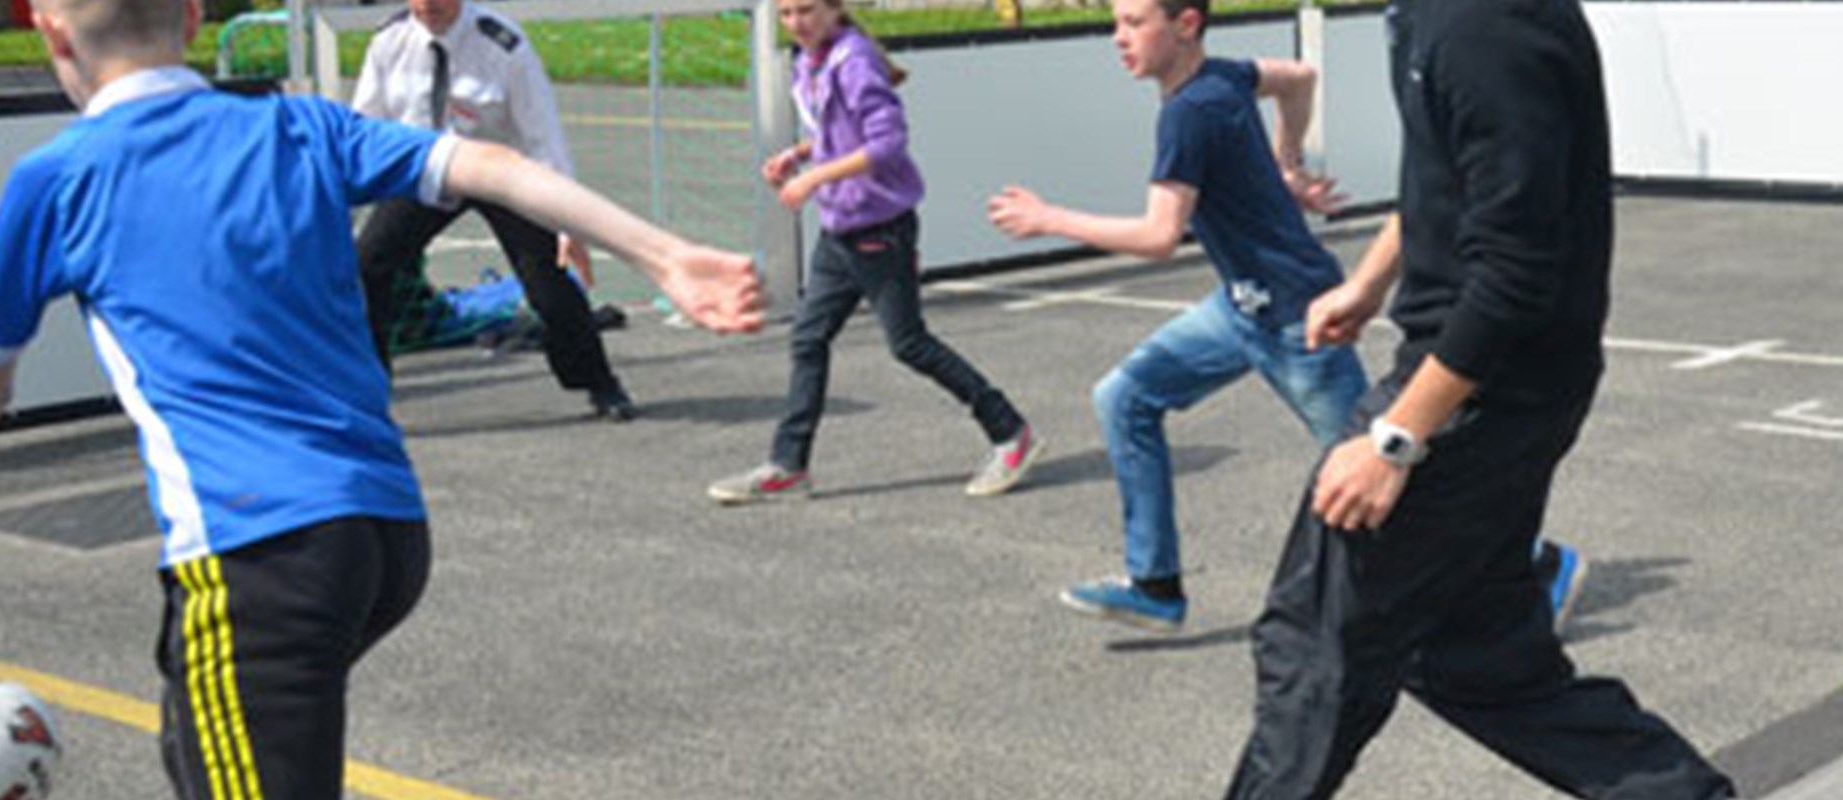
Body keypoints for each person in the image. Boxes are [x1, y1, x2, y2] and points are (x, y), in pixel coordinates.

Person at [0, 1, 762, 797]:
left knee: (223, 733)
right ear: (192, 19)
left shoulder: (58, 177)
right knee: (195, 743)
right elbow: (488, 163)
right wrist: (661, 252)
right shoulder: (298, 128)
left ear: (49, 30)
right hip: (384, 536)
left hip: (258, 557)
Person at [1217, 0, 1733, 796]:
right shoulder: (1432, 17)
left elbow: (1516, 271)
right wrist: (1368, 282)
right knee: (1476, 661)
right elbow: (1447, 182)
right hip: (1491, 381)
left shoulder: (1484, 28)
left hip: (1477, 393)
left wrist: (1395, 440)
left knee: (1314, 648)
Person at [985, 0, 1581, 633]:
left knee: (1382, 468)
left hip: (1296, 319)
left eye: (1134, 23)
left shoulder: (1190, 112)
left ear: (1186, 25)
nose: (1118, 39)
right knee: (1124, 397)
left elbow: (1161, 235)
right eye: (1115, 24)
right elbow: (1300, 77)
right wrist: (1287, 161)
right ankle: (1155, 583)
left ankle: (1535, 562)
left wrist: (1049, 220)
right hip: (1240, 306)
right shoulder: (1225, 76)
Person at [708, 0, 1040, 504]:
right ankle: (788, 463)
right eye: (787, 13)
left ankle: (1010, 431)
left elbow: (887, 144)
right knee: (808, 338)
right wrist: (798, 155)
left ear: (835, 9)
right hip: (840, 230)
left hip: (878, 230)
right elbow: (836, 135)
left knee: (909, 343)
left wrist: (814, 178)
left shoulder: (854, 61)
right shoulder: (810, 61)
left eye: (807, 10)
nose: (796, 22)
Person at [352, 0, 642, 420]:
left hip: (501, 172)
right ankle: (369, 389)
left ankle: (599, 383)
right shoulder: (388, 41)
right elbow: (365, 127)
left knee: (549, 281)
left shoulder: (503, 43)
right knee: (366, 266)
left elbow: (542, 134)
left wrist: (566, 220)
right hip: (427, 168)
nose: (427, 5)